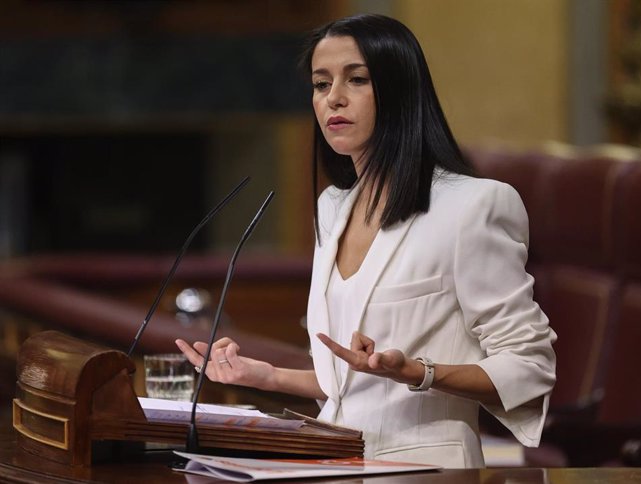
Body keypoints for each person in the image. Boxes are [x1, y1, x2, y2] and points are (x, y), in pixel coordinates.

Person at [175, 13, 556, 468]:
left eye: (356, 80)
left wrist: (418, 372)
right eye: (320, 84)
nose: (333, 98)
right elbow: (353, 382)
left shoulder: (473, 206)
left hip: (427, 470)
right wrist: (267, 376)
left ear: (399, 91)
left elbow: (530, 368)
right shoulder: (332, 207)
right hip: (336, 463)